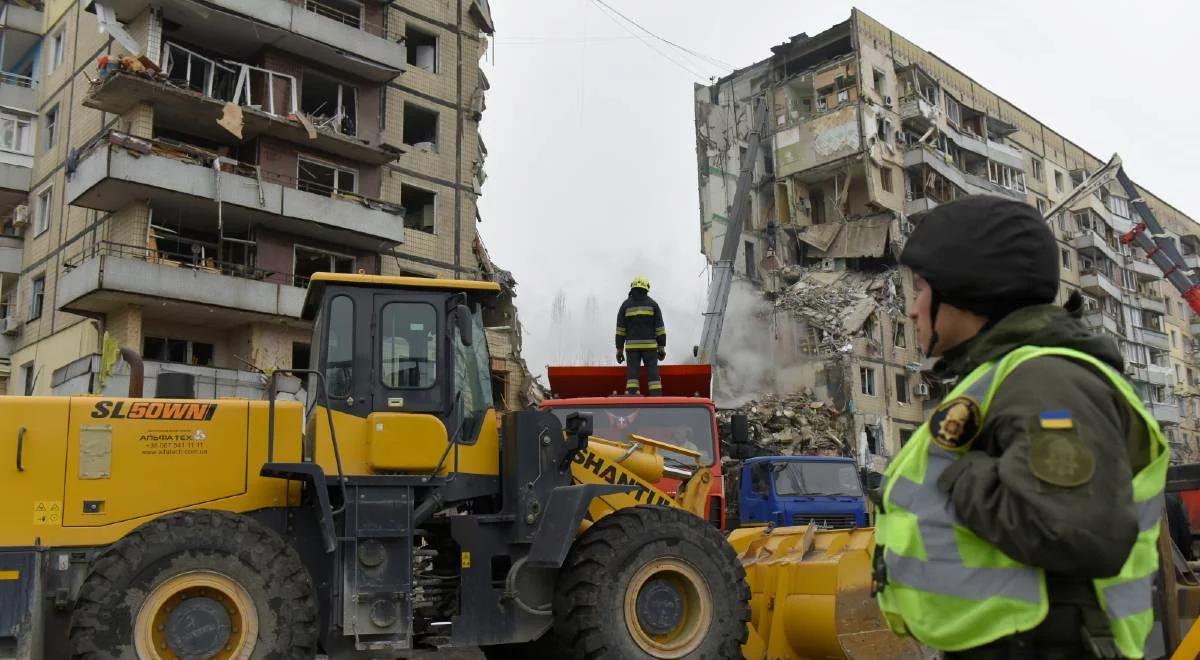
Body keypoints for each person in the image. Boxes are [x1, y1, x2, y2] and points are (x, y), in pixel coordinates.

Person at [873, 195, 1168, 659]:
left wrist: (961, 474)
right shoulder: (1005, 377)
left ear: (965, 289)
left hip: (1049, 645)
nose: (913, 309)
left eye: (923, 289)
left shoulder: (1045, 379)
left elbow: (1077, 531)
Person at [615, 276, 667, 395]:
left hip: (632, 348)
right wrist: (661, 348)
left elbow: (620, 331)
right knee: (653, 374)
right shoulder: (653, 305)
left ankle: (632, 398)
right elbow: (660, 329)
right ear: (646, 288)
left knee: (632, 376)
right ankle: (656, 399)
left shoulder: (625, 306)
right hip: (650, 348)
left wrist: (619, 350)